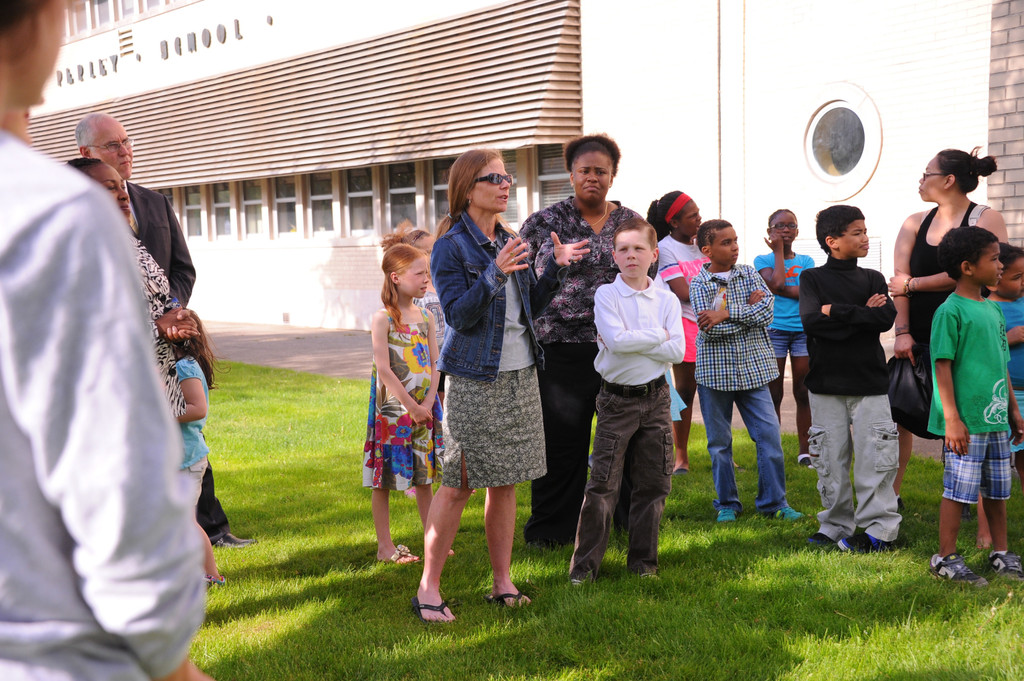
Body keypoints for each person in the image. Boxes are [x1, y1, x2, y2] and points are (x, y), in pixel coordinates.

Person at [0, 1, 212, 678]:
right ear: (41, 23)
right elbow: (111, 471)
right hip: (53, 637)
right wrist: (170, 657)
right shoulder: (53, 215)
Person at [413, 149, 587, 622]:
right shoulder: (451, 246)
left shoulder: (510, 239)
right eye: (494, 178)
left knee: (507, 482)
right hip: (475, 378)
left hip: (521, 373)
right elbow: (458, 315)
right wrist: (494, 273)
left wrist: (557, 268)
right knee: (459, 484)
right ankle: (428, 589)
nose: (506, 184)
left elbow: (531, 305)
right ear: (468, 188)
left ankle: (501, 582)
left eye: (507, 177)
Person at [76, 113, 250, 550]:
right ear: (86, 154)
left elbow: (178, 270)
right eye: (112, 145)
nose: (124, 152)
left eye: (127, 142)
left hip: (164, 366)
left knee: (185, 451)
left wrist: (174, 313)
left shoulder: (147, 211)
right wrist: (154, 323)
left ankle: (204, 539)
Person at [520, 133, 644, 548]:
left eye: (601, 171)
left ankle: (623, 524)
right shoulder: (544, 222)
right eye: (585, 170)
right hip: (560, 349)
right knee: (562, 443)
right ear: (571, 174)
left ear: (612, 176)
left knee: (623, 441)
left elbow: (648, 275)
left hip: (620, 348)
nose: (593, 177)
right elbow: (520, 281)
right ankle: (552, 529)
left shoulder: (630, 222)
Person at [889, 148, 1007, 506]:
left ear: (949, 180)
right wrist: (902, 332)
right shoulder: (914, 222)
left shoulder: (986, 218)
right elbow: (898, 282)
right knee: (902, 414)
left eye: (927, 173)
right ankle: (891, 495)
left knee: (967, 410)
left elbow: (981, 273)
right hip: (920, 333)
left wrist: (914, 284)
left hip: (970, 334)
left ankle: (969, 498)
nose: (921, 180)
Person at [569, 218, 683, 583]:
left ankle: (643, 564)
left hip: (657, 399)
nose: (631, 255)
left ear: (654, 254)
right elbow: (616, 344)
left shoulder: (666, 299)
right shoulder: (607, 295)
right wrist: (658, 335)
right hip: (617, 402)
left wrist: (634, 339)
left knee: (654, 483)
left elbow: (678, 351)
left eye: (638, 248)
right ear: (614, 255)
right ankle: (584, 569)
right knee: (603, 485)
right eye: (623, 249)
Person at [799, 206, 900, 552]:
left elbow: (885, 319)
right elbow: (813, 323)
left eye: (865, 231)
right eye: (857, 232)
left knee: (877, 457)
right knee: (829, 459)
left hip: (870, 383)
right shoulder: (812, 279)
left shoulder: (873, 278)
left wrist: (837, 312)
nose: (865, 238)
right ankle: (835, 524)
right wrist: (863, 316)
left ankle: (880, 530)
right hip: (826, 384)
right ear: (833, 241)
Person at [928, 227, 1024, 585]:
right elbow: (942, 366)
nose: (1000, 266)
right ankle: (945, 557)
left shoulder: (994, 310)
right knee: (958, 491)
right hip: (966, 423)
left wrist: (1013, 411)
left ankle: (1001, 552)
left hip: (996, 420)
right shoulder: (950, 312)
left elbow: (1001, 364)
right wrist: (952, 419)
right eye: (994, 259)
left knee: (998, 490)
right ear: (968, 267)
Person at [689, 219, 803, 522]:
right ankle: (727, 504)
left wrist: (726, 313)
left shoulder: (750, 273)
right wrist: (746, 313)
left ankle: (774, 503)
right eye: (726, 242)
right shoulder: (699, 284)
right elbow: (710, 330)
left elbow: (767, 313)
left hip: (754, 371)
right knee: (719, 444)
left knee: (769, 436)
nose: (734, 247)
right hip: (715, 375)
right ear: (707, 250)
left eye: (735, 240)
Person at [363, 243, 442, 565]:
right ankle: (385, 547)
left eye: (427, 273)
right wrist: (411, 406)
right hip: (393, 412)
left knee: (425, 476)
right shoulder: (383, 319)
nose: (426, 279)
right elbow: (384, 369)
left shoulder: (426, 316)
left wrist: (429, 401)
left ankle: (432, 541)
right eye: (419, 273)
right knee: (383, 479)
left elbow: (436, 362)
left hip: (425, 407)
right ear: (395, 277)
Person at [649, 190, 705, 474]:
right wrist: (716, 290)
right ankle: (680, 456)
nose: (699, 219)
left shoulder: (703, 244)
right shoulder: (666, 248)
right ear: (674, 222)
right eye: (693, 216)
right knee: (685, 390)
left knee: (717, 391)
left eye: (698, 213)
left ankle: (722, 451)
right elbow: (683, 292)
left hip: (715, 324)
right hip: (687, 325)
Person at [754, 209, 815, 466]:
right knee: (773, 393)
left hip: (802, 330)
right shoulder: (761, 260)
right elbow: (776, 284)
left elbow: (806, 292)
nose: (785, 230)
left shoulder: (807, 260)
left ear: (798, 231)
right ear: (769, 232)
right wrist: (778, 252)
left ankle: (805, 451)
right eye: (779, 226)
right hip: (774, 331)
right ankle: (773, 452)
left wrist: (780, 289)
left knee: (803, 391)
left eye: (791, 225)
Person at [174, 314, 226, 586]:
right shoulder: (171, 365)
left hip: (187, 460)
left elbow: (197, 408)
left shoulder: (184, 367)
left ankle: (211, 574)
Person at [989, 244, 1024, 501]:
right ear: (995, 279)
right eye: (1017, 277)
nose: (1023, 282)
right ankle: (987, 522)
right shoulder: (988, 309)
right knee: (994, 464)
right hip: (1003, 395)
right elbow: (979, 350)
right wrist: (1007, 339)